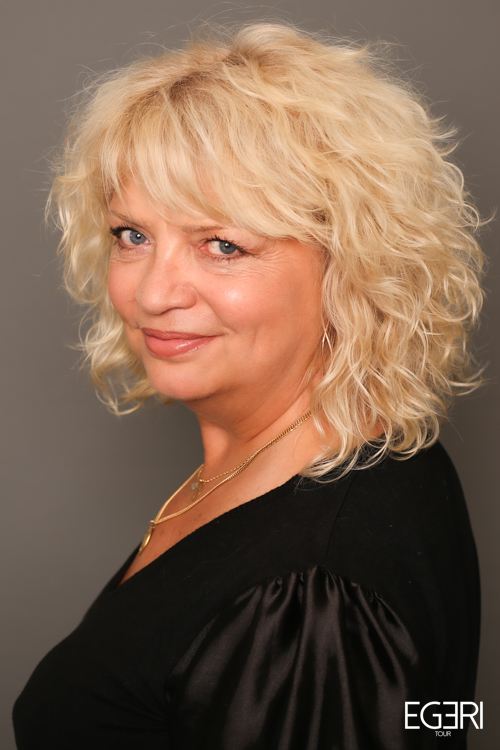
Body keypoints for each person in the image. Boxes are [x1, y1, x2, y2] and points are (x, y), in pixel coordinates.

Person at [13, 21, 485, 749]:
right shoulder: (309, 465)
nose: (153, 293)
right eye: (133, 235)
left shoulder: (312, 600)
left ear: (350, 265)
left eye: (222, 245)